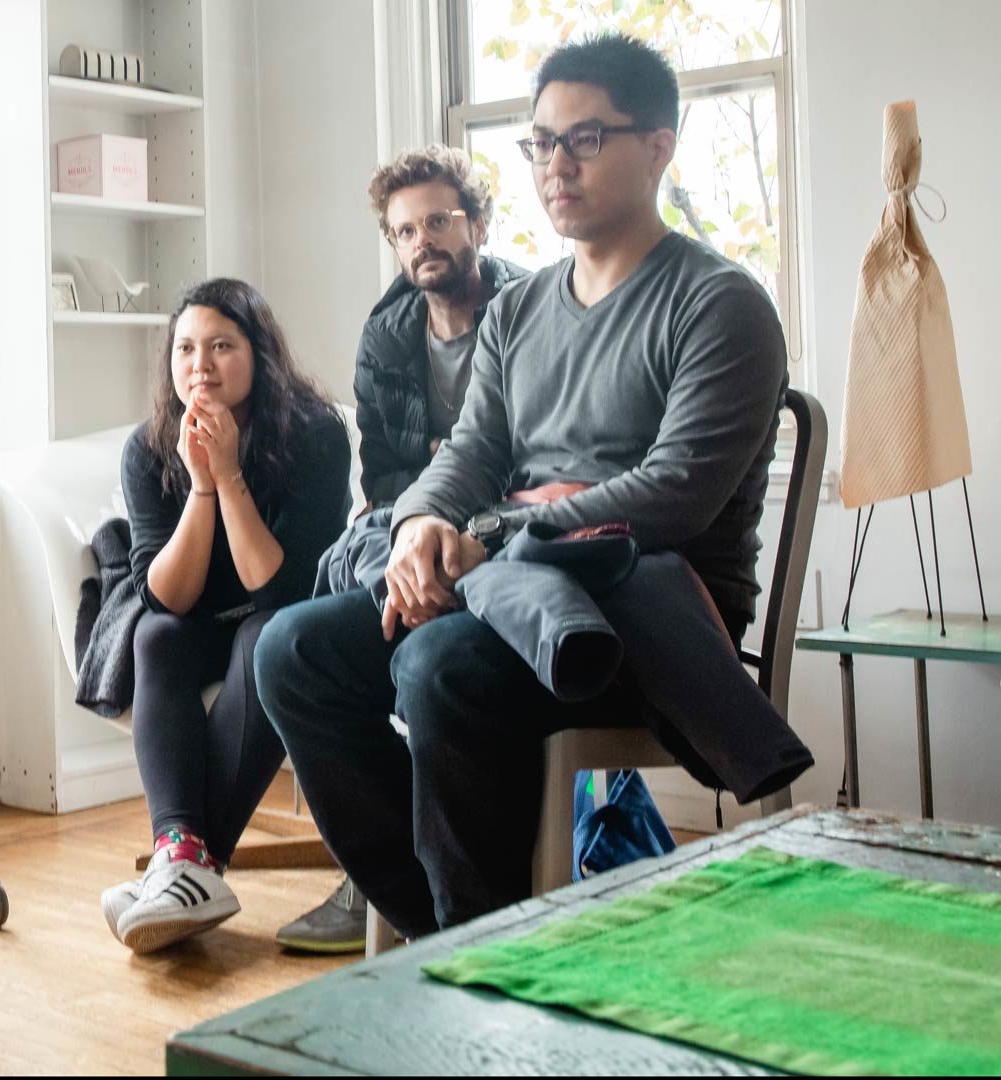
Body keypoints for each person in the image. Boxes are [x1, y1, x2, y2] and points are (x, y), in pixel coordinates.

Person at [254, 33, 799, 937]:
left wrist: (492, 535)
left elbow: (674, 495)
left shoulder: (721, 304)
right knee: (293, 651)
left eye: (584, 140)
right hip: (507, 590)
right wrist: (423, 523)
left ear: (658, 146)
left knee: (434, 664)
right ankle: (458, 938)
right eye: (540, 143)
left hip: (641, 621)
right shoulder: (518, 309)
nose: (556, 165)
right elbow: (469, 452)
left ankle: (488, 964)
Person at [277, 145, 530, 954]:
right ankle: (413, 890)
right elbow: (383, 480)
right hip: (413, 539)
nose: (421, 241)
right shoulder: (386, 336)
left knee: (419, 651)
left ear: (478, 223)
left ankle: (469, 898)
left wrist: (463, 537)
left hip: (509, 541)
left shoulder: (536, 309)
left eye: (437, 222)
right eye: (402, 230)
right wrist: (416, 543)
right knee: (303, 632)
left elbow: (551, 463)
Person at [99, 278, 350, 954]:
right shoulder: (149, 448)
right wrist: (201, 483)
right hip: (195, 625)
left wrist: (231, 474)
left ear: (259, 353)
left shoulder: (318, 434)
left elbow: (280, 591)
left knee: (266, 638)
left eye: (220, 346)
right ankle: (181, 855)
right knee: (155, 635)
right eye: (184, 349)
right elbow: (166, 597)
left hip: (277, 620)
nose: (199, 366)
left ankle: (184, 870)